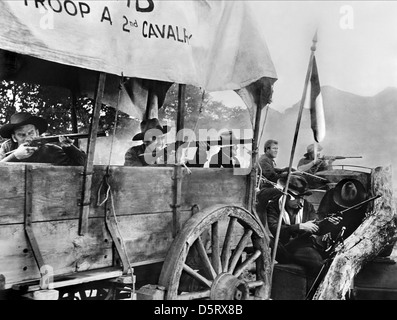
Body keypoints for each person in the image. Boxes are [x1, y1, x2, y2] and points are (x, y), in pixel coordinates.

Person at [266, 173, 341, 276]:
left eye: (302, 197)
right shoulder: (273, 206)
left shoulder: (308, 206)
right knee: (268, 240)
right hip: (281, 248)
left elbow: (316, 227)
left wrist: (329, 224)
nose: (300, 201)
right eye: (297, 197)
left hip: (300, 247)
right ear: (287, 196)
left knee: (318, 263)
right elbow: (275, 229)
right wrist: (300, 226)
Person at [0, 112, 86, 166]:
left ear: (37, 133)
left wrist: (69, 148)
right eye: (22, 135)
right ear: (14, 138)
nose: (28, 138)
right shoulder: (6, 148)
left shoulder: (50, 150)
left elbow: (84, 164)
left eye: (31, 133)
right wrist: (15, 156)